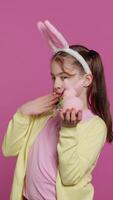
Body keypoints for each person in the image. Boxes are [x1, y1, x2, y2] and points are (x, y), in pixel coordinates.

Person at [2, 21, 113, 200]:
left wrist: (69, 129)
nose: (57, 84)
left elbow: (69, 177)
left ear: (86, 80)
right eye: (53, 77)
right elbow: (8, 150)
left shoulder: (95, 126)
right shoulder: (45, 113)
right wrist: (23, 112)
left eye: (64, 77)